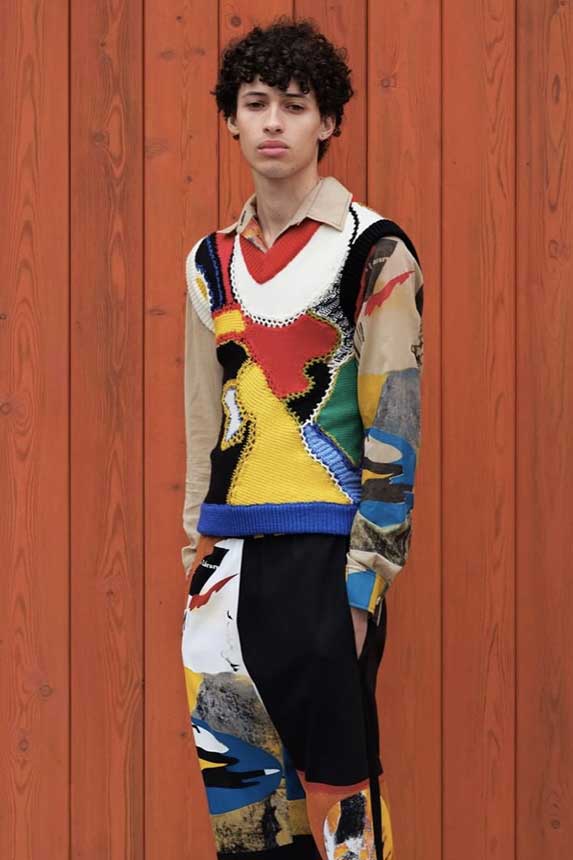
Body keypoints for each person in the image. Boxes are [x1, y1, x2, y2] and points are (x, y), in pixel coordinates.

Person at [180, 16, 424, 860]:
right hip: (223, 568)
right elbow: (202, 420)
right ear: (230, 119)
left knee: (340, 817)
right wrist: (194, 552)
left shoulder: (374, 250)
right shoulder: (208, 262)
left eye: (294, 104)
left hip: (327, 560)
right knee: (243, 817)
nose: (273, 122)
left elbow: (395, 428)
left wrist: (363, 589)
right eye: (255, 104)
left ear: (328, 122)